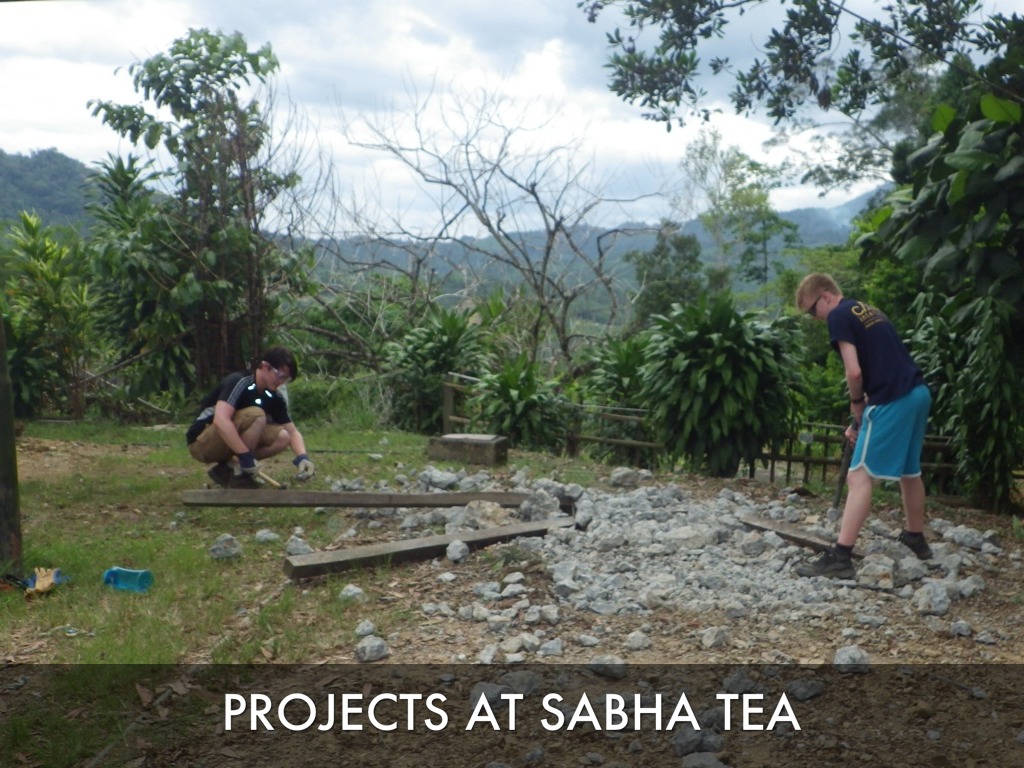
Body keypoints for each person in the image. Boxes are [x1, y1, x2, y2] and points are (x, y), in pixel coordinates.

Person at [794, 274, 932, 578]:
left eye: (812, 309)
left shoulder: (838, 315)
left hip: (894, 399)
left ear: (826, 296)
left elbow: (854, 372)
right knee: (909, 472)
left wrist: (857, 403)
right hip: (917, 394)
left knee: (858, 476)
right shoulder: (866, 310)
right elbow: (882, 364)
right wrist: (863, 415)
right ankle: (915, 538)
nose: (814, 317)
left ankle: (841, 557)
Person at [186, 346, 315, 489]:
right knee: (256, 415)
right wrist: (245, 455)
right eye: (280, 376)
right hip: (202, 442)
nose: (281, 382)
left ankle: (229, 469)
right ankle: (241, 470)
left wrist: (303, 457)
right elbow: (221, 420)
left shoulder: (274, 396)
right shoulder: (239, 381)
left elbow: (292, 432)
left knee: (283, 437)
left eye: (286, 379)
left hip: (229, 445)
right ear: (265, 367)